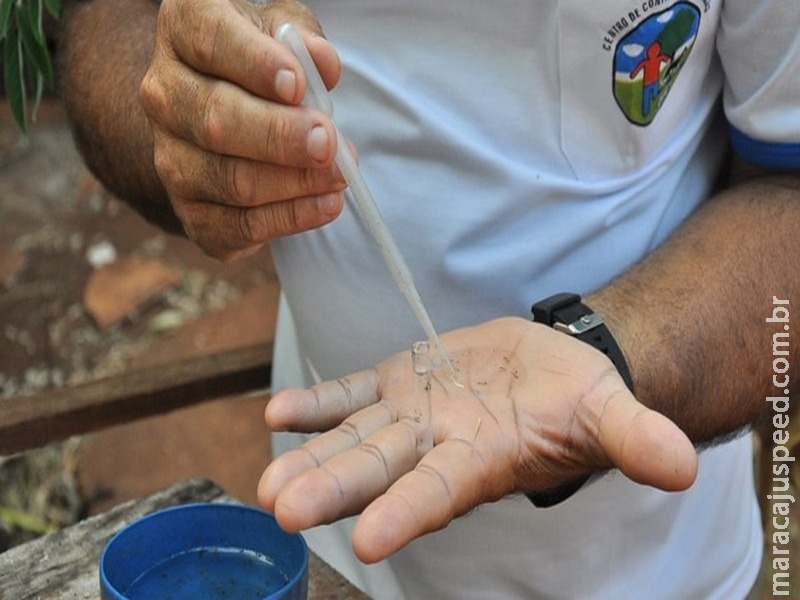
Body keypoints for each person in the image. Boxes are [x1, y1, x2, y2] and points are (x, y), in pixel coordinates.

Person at [58, 0, 798, 597]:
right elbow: (108, 19)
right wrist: (191, 127)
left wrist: (604, 351)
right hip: (334, 533)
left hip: (653, 565)